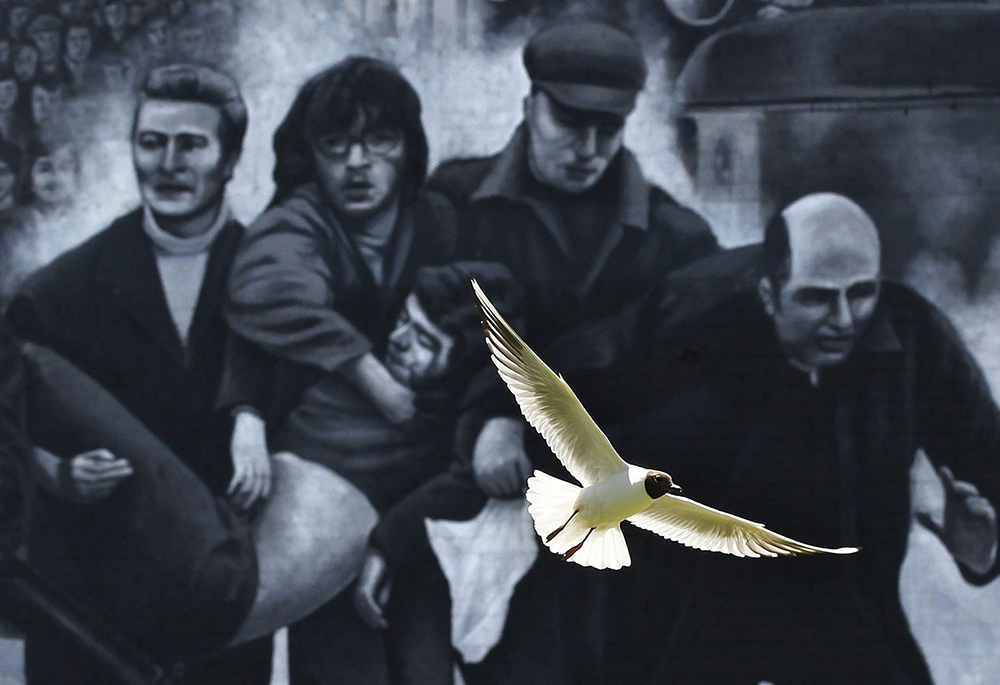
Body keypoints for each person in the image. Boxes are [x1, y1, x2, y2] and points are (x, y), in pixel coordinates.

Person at [416, 16, 719, 683]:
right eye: (569, 122)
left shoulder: (679, 242)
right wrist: (480, 422)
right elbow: (421, 357)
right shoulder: (453, 206)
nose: (588, 148)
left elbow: (702, 401)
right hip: (487, 533)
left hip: (626, 555)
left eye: (608, 128)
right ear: (529, 105)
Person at [619, 193, 1000, 684]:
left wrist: (983, 552)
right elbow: (578, 386)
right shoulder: (692, 326)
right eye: (817, 297)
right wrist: (496, 425)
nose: (844, 320)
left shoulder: (913, 336)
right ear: (769, 294)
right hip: (705, 610)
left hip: (851, 604)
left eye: (861, 292)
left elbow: (987, 456)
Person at [6, 63, 274, 685]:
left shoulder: (276, 277)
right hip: (95, 603)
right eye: (151, 143)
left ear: (231, 158)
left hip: (221, 616)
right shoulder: (59, 291)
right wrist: (55, 471)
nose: (168, 163)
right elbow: (9, 424)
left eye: (191, 144)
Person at [223, 56, 457, 685]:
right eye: (336, 144)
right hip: (325, 489)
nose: (357, 163)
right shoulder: (298, 223)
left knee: (423, 663)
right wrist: (368, 373)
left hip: (422, 491)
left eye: (378, 140)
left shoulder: (438, 222)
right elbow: (269, 294)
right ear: (311, 155)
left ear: (406, 147)